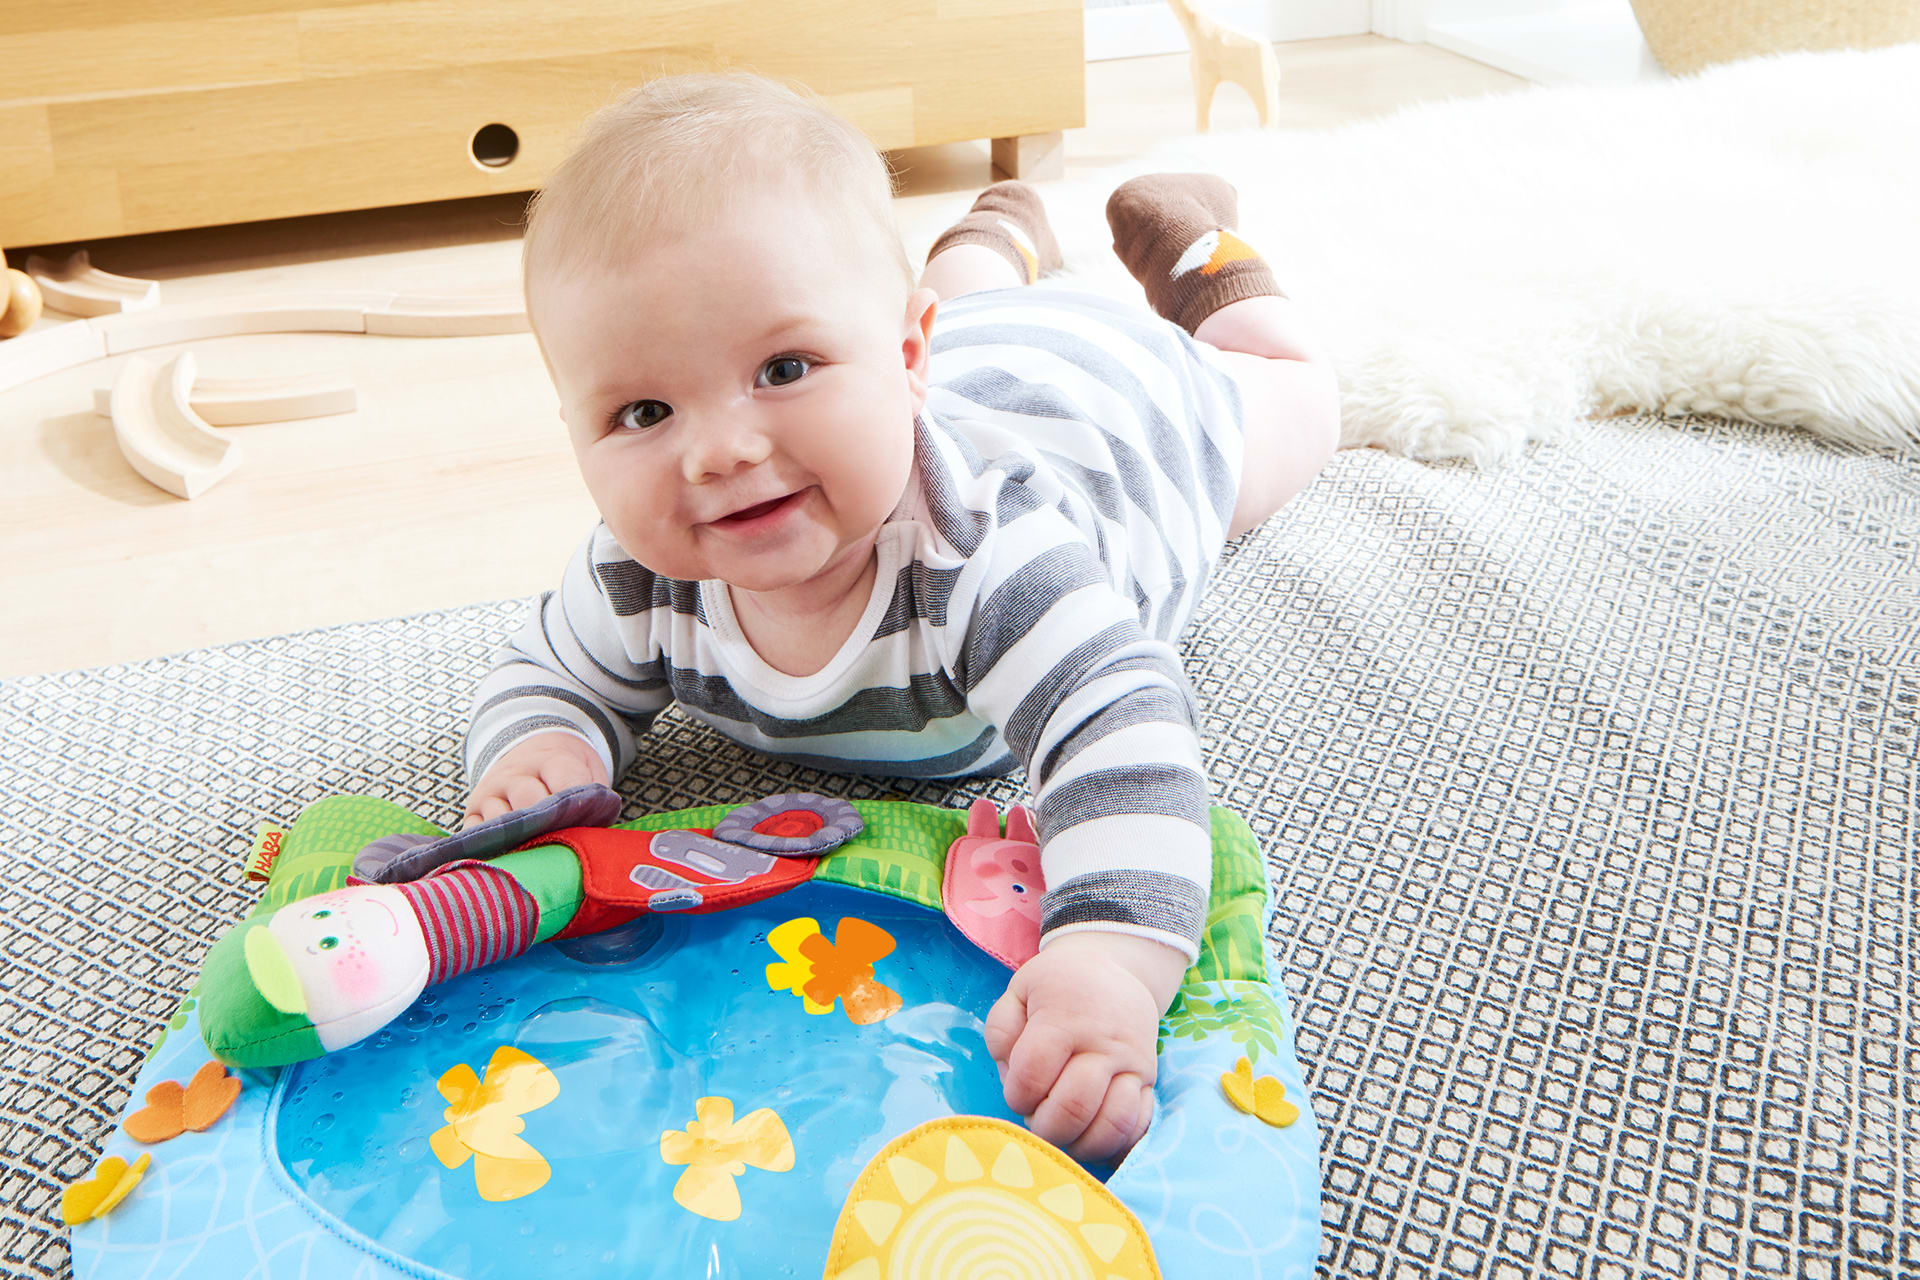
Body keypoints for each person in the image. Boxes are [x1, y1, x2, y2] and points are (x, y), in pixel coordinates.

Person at [462, 71, 1340, 1163]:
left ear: (903, 359)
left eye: (783, 368)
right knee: (951, 310)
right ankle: (996, 233)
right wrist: (543, 745)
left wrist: (1109, 956)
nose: (719, 450)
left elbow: (1122, 730)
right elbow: (545, 671)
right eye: (643, 410)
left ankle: (1199, 246)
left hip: (1128, 410)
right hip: (963, 342)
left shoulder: (986, 556)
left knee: (1298, 392)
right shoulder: (640, 576)